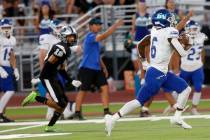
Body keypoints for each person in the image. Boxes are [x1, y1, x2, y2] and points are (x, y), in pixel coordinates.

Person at [105, 9, 193, 136]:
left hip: (162, 72)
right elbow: (182, 53)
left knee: (186, 89)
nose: (173, 22)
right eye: (170, 19)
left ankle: (177, 117)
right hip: (156, 73)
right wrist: (189, 45)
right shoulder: (169, 32)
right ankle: (113, 118)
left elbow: (140, 44)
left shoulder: (155, 31)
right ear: (165, 21)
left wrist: (145, 62)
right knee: (139, 101)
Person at [21, 25, 78, 132]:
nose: (73, 39)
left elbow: (61, 69)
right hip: (48, 77)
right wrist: (41, 77)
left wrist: (71, 80)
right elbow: (49, 63)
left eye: (73, 36)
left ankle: (50, 126)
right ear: (64, 37)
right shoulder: (61, 48)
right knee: (59, 104)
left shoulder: (66, 49)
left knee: (64, 102)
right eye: (70, 36)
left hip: (52, 76)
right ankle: (36, 97)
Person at [73, 18, 123, 120]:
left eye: (99, 24)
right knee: (83, 90)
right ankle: (77, 112)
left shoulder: (94, 38)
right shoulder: (90, 36)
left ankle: (106, 111)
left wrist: (103, 67)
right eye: (96, 24)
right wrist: (115, 26)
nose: (99, 26)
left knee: (104, 87)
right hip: (86, 68)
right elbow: (104, 36)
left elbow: (97, 55)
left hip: (96, 68)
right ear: (90, 26)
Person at [180, 20, 207, 115]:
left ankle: (194, 108)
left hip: (197, 66)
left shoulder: (201, 36)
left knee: (198, 87)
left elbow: (202, 50)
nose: (194, 30)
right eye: (192, 29)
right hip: (184, 67)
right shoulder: (183, 37)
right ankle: (177, 106)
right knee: (180, 88)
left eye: (195, 28)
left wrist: (202, 62)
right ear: (187, 29)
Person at [0, 18, 19, 122]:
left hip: (8, 67)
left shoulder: (13, 39)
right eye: (4, 27)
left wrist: (15, 68)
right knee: (10, 90)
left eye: (8, 27)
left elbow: (12, 55)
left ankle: (2, 114)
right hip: (2, 67)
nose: (6, 29)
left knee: (3, 92)